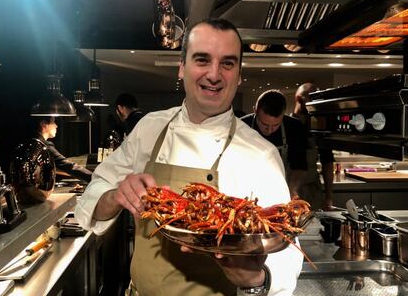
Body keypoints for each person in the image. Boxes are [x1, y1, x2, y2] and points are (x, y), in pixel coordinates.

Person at [75, 18, 303, 296]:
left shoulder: (261, 154)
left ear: (239, 74)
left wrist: (256, 278)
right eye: (202, 59)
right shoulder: (149, 128)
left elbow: (287, 250)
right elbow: (92, 194)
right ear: (181, 68)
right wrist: (114, 196)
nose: (214, 74)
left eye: (228, 63)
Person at [241, 90, 308, 199]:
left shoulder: (294, 127)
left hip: (281, 191)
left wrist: (292, 190)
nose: (269, 130)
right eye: (264, 124)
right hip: (247, 191)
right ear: (255, 111)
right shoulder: (241, 126)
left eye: (276, 125)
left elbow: (299, 166)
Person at [292, 82, 335, 210]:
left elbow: (327, 163)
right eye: (313, 99)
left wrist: (329, 196)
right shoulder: (286, 126)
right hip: (287, 191)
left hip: (312, 193)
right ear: (299, 99)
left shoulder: (319, 128)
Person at [34, 117, 92, 183]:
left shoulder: (33, 141)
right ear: (44, 124)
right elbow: (67, 166)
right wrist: (94, 178)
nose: (56, 126)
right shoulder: (44, 145)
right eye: (53, 122)